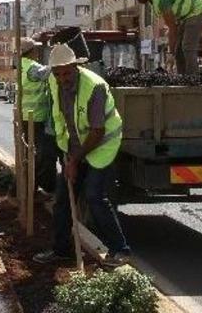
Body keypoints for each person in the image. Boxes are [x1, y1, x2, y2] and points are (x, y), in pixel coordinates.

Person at [33, 44, 131, 267]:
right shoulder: (55, 82)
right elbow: (64, 119)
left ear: (75, 66)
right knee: (63, 199)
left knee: (94, 196)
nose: (62, 78)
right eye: (57, 73)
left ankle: (121, 250)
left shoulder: (94, 87)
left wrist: (75, 160)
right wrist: (68, 155)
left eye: (66, 72)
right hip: (76, 147)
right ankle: (61, 250)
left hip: (101, 146)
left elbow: (98, 131)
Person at [128, 0, 202, 75]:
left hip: (197, 10)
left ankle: (193, 80)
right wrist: (173, 51)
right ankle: (183, 79)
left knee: (187, 47)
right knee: (179, 51)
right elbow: (172, 27)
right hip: (185, 16)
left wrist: (170, 54)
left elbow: (172, 28)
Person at [19, 37, 59, 194]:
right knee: (41, 154)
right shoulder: (32, 67)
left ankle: (31, 188)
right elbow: (49, 72)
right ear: (32, 51)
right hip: (36, 118)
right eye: (36, 49)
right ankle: (33, 189)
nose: (37, 52)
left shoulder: (21, 65)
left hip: (26, 116)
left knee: (32, 153)